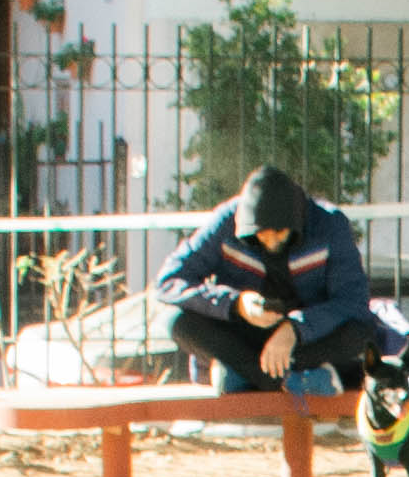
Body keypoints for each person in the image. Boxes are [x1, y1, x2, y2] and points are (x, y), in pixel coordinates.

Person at [159, 165, 386, 388]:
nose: (271, 242)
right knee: (173, 318)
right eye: (262, 235)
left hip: (306, 340)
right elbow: (169, 282)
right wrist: (237, 304)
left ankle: (246, 376)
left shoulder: (330, 224)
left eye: (279, 233)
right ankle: (285, 378)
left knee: (362, 330)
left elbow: (352, 302)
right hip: (246, 336)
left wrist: (295, 329)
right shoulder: (225, 221)